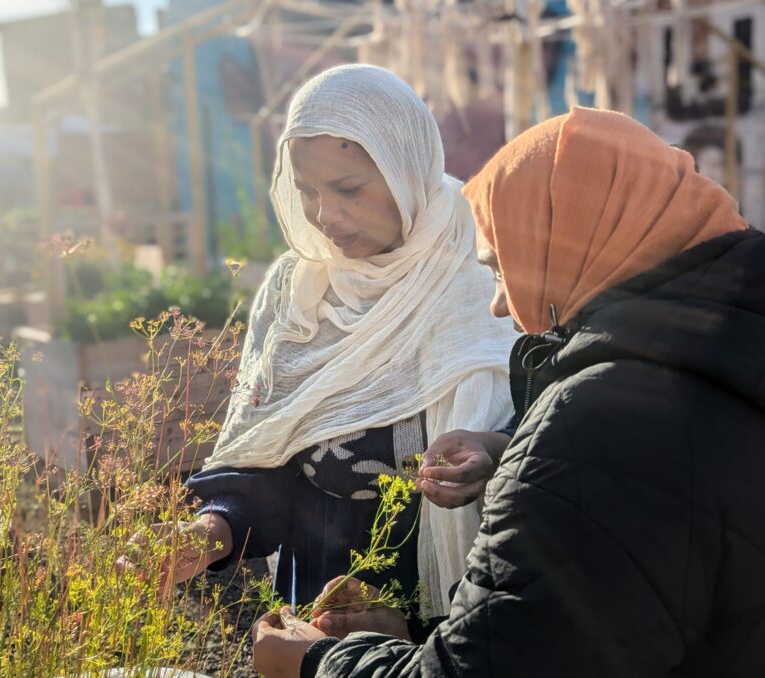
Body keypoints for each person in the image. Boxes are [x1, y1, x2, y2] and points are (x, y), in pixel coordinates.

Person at [251, 107, 765, 677]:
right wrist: (423, 636)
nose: (498, 306)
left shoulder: (601, 422)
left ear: (571, 241)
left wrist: (319, 663)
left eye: (502, 266)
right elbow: (605, 624)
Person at [150, 64, 518, 622]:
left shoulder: (486, 270)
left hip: (462, 616)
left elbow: (553, 435)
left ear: (406, 167)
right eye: (305, 191)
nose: (325, 217)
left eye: (347, 189)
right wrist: (213, 528)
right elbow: (270, 451)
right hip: (319, 613)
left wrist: (492, 453)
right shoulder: (300, 292)